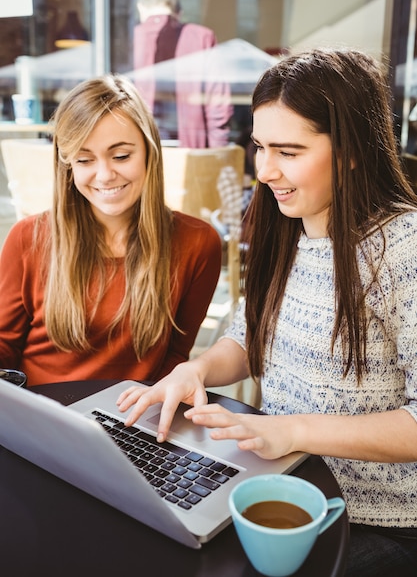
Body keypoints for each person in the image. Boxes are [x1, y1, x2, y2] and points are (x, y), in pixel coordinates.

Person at [117, 48, 417, 576]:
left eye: (289, 150)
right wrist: (197, 370)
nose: (265, 169)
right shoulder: (288, 227)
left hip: (380, 520)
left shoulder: (404, 247)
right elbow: (251, 334)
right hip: (284, 486)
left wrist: (294, 431)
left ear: (350, 150)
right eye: (259, 146)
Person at [0, 74, 222, 387]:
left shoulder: (198, 243)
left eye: (121, 156)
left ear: (148, 152)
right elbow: (4, 347)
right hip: (38, 413)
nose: (104, 175)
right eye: (84, 159)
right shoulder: (27, 238)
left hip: (129, 419)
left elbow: (175, 355)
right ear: (68, 166)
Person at [133, 0, 233, 147]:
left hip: (140, 147)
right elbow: (218, 101)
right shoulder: (202, 37)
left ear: (140, 7)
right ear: (179, 12)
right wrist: (217, 151)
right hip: (190, 149)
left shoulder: (125, 38)